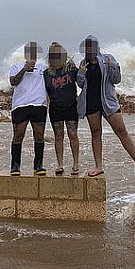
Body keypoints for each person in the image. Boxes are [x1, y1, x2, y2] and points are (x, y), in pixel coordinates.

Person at [77, 35, 135, 179]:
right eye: (87, 47)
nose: (89, 49)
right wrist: (81, 73)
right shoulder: (84, 63)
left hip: (108, 101)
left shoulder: (108, 58)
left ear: (97, 47)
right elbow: (81, 84)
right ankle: (98, 166)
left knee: (122, 132)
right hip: (91, 102)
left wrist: (113, 66)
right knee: (96, 133)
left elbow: (117, 80)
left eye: (92, 46)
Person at [8, 41, 47, 176]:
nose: (32, 56)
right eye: (30, 53)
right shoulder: (16, 66)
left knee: (39, 135)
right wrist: (24, 69)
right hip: (20, 105)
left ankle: (38, 165)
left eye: (34, 53)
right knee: (18, 135)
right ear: (25, 54)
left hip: (39, 105)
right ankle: (15, 166)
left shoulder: (43, 67)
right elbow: (13, 82)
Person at [43, 42, 80, 176]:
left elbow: (82, 81)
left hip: (71, 106)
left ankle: (76, 163)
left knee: (73, 135)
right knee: (58, 136)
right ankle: (60, 164)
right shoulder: (46, 74)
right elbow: (45, 92)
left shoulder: (70, 69)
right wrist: (44, 108)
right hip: (55, 109)